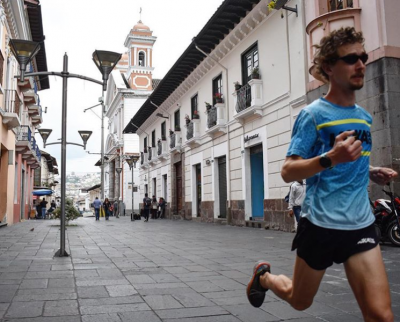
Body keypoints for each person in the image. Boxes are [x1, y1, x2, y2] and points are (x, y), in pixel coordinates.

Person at [246, 27, 397, 322]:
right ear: (328, 67)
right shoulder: (313, 115)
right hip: (320, 225)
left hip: (360, 224)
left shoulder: (364, 118)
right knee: (299, 301)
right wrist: (329, 158)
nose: (361, 64)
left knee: (381, 315)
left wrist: (371, 171)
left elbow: (349, 165)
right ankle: (264, 278)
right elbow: (288, 171)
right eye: (351, 58)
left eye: (363, 57)